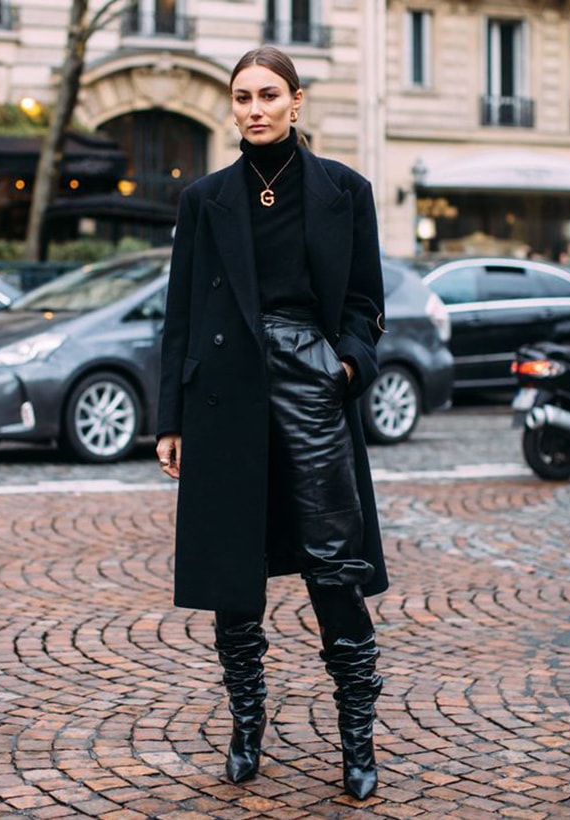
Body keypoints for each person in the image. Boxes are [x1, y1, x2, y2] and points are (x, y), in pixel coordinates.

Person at [155, 46, 389, 801]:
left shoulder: (344, 191)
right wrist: (170, 419)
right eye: (242, 97)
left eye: (268, 95)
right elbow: (180, 315)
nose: (254, 108)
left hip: (312, 385)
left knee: (333, 565)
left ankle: (358, 742)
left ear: (297, 101)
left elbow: (364, 301)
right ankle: (245, 728)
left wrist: (345, 367)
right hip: (224, 389)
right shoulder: (206, 199)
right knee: (235, 571)